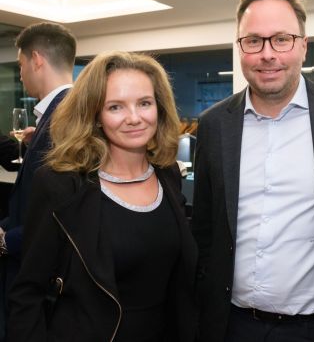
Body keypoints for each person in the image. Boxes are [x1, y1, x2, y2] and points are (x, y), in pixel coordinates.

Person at [192, 0, 314, 342]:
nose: (267, 54)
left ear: (303, 45)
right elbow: (204, 227)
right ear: (241, 47)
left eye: (281, 39)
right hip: (231, 325)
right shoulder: (214, 124)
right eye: (254, 41)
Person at [7, 51, 198, 341]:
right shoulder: (61, 184)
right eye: (115, 107)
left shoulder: (168, 174)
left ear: (159, 107)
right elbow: (28, 292)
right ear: (94, 115)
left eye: (144, 103)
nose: (134, 118)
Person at [0, 22, 76, 341]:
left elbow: (63, 208)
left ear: (36, 59)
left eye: (19, 66)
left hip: (38, 272)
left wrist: (7, 240)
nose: (20, 75)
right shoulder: (60, 114)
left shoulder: (64, 119)